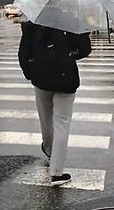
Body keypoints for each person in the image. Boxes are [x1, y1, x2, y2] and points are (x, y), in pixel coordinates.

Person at [19, 21, 91, 186]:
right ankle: (57, 173)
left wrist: (30, 73)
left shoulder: (33, 24)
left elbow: (23, 54)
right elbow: (85, 49)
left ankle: (49, 148)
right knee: (62, 124)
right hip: (65, 79)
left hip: (40, 79)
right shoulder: (72, 21)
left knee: (45, 119)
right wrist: (71, 55)